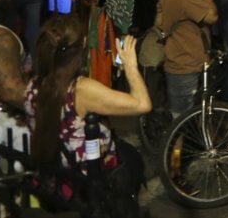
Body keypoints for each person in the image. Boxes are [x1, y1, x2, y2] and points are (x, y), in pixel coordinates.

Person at [25, 15, 150, 217]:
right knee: (133, 160)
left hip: (52, 175)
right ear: (83, 44)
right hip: (86, 181)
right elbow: (142, 104)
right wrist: (131, 66)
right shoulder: (81, 89)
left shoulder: (34, 85)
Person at [155, 0, 218, 114]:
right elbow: (212, 16)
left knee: (189, 117)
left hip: (184, 61)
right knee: (182, 121)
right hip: (185, 64)